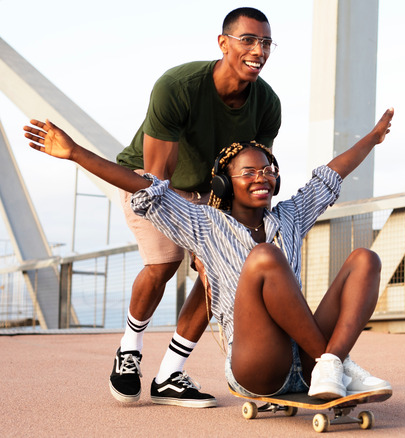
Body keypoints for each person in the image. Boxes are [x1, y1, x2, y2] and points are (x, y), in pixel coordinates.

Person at [24, 108, 395, 401]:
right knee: (265, 258)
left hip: (307, 357)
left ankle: (330, 364)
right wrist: (75, 153)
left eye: (268, 170)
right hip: (259, 365)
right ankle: (338, 367)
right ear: (223, 183)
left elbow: (330, 176)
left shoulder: (290, 217)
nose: (261, 177)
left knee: (365, 259)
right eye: (248, 172)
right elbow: (143, 186)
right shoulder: (204, 224)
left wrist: (374, 139)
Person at [111, 7, 281, 407]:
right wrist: (192, 240)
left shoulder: (268, 104)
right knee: (165, 262)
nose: (259, 49)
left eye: (267, 42)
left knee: (216, 274)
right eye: (249, 40)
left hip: (211, 190)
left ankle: (170, 373)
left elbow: (255, 173)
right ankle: (129, 348)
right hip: (148, 179)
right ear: (223, 43)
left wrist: (219, 250)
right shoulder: (178, 86)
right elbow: (157, 181)